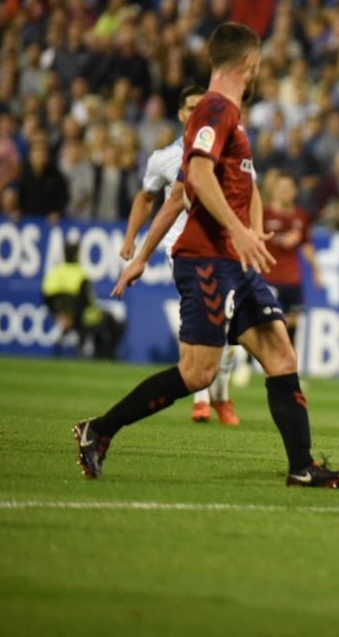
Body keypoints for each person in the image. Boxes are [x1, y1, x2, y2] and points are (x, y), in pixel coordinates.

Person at [75, 22, 339, 489]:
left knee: (281, 353)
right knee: (198, 372)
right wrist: (239, 230)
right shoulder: (213, 110)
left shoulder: (224, 115)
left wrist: (142, 255)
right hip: (207, 260)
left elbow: (180, 194)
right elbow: (201, 180)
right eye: (260, 63)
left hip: (233, 262)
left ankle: (302, 468)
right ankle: (98, 430)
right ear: (250, 63)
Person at [118, 86, 240, 426]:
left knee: (229, 326)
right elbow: (147, 197)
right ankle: (205, 399)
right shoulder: (164, 158)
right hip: (183, 250)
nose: (197, 112)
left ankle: (220, 395)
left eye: (203, 106)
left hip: (224, 248)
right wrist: (132, 240)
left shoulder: (227, 149)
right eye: (190, 107)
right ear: (181, 115)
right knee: (213, 322)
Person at [262, 172, 321, 350]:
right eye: (282, 188)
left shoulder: (301, 217)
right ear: (274, 191)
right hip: (268, 277)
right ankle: (247, 365)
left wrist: (316, 270)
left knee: (292, 323)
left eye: (289, 188)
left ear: (295, 191)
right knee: (264, 322)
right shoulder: (264, 214)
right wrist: (281, 240)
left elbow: (306, 245)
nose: (285, 192)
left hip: (292, 279)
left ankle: (290, 370)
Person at [43, 241, 124, 360]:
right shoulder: (80, 275)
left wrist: (61, 315)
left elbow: (47, 298)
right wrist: (73, 316)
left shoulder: (54, 274)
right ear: (76, 256)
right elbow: (87, 302)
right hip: (82, 319)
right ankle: (106, 354)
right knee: (113, 322)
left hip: (64, 318)